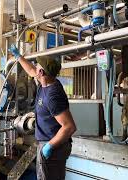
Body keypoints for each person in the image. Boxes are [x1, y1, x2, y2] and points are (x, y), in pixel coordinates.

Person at [9, 44, 77, 180]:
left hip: (53, 146)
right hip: (46, 142)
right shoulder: (45, 83)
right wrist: (18, 57)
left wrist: (49, 147)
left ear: (42, 73)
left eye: (38, 66)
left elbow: (69, 127)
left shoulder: (53, 95)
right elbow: (31, 70)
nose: (35, 67)